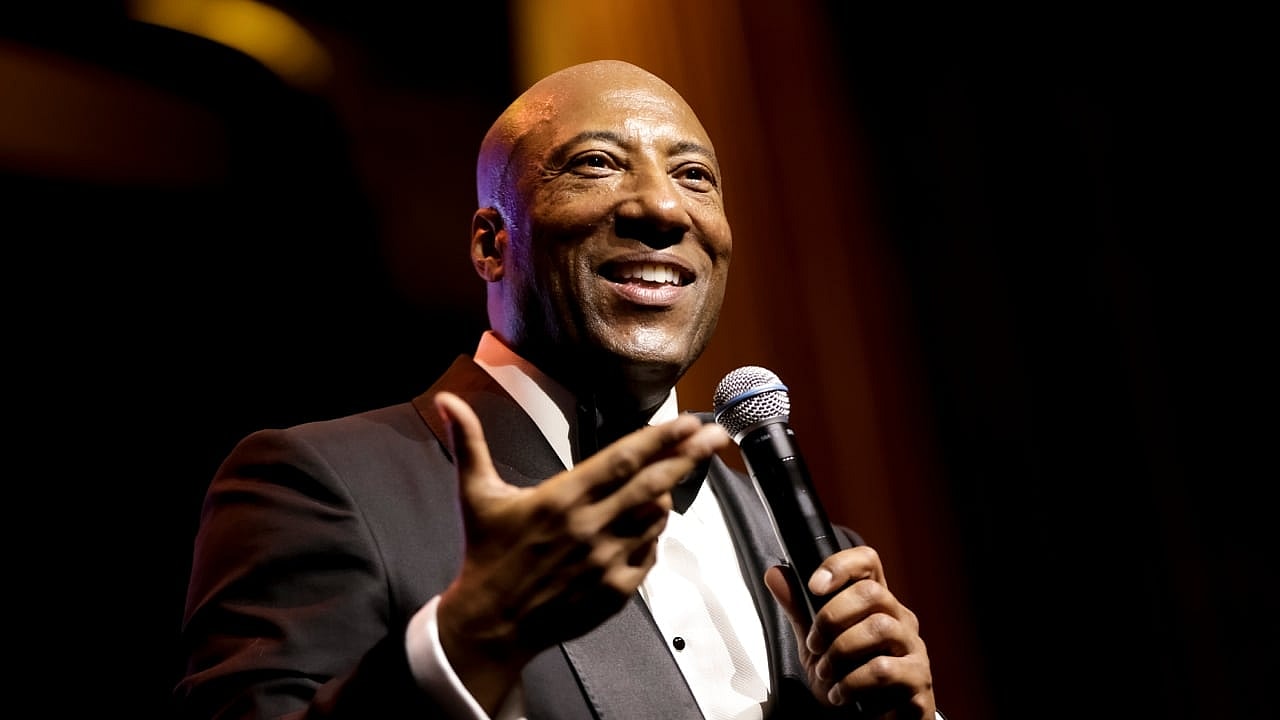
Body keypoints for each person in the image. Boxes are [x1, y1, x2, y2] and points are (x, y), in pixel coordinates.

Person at [175, 59, 940, 719]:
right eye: (598, 163)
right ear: (491, 243)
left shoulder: (814, 552)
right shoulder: (320, 484)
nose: (663, 207)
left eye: (694, 176)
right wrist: (470, 641)